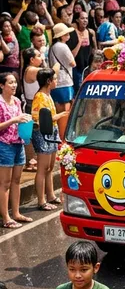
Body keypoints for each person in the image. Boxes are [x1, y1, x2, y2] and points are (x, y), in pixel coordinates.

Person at [0, 73, 32, 229]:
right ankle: (6, 217)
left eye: (15, 82)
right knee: (5, 183)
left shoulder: (18, 101)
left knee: (16, 181)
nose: (14, 85)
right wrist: (14, 120)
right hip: (4, 145)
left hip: (19, 143)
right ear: (1, 85)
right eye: (10, 82)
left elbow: (20, 121)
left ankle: (17, 213)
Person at [31, 68, 64, 212]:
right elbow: (42, 119)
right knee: (42, 169)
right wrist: (62, 114)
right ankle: (41, 201)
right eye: (55, 79)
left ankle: (50, 195)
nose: (56, 81)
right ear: (49, 81)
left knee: (50, 168)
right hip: (43, 134)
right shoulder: (40, 97)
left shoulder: (48, 95)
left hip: (52, 132)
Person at [47, 22, 75, 139]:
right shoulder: (63, 46)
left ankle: (60, 134)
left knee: (58, 109)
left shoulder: (53, 47)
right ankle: (64, 136)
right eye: (66, 33)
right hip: (64, 81)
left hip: (57, 81)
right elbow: (73, 63)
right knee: (65, 111)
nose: (68, 35)